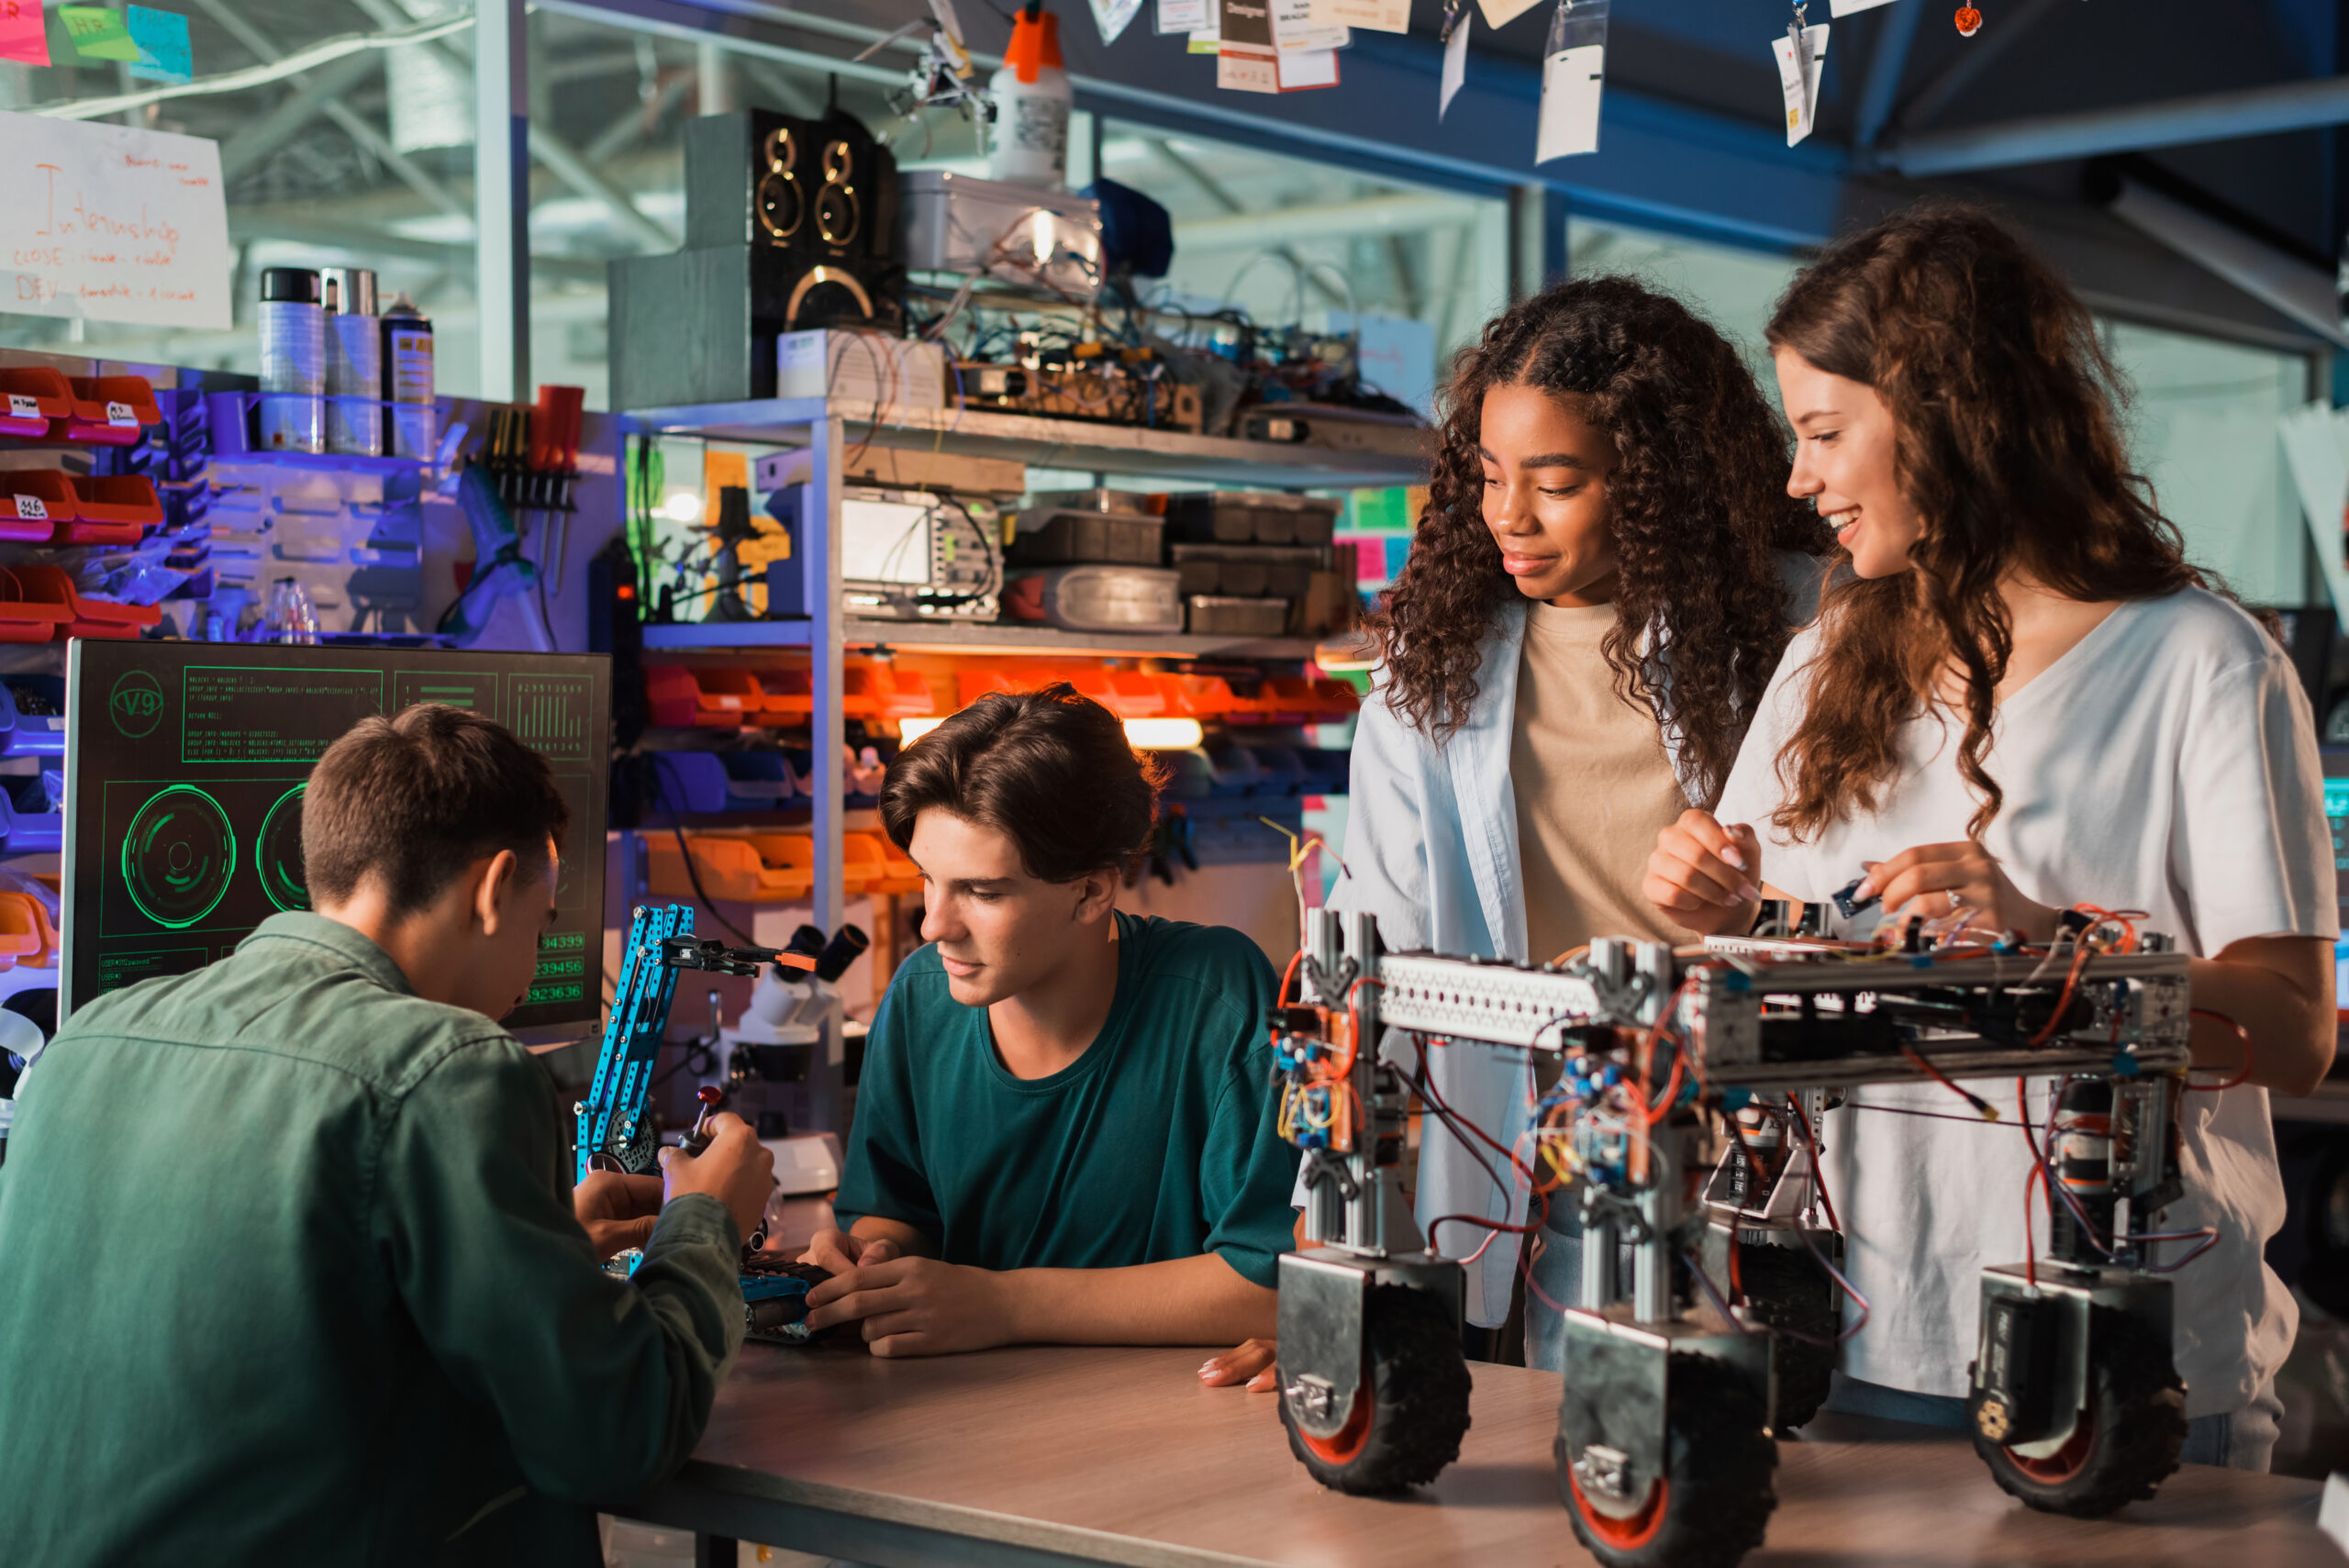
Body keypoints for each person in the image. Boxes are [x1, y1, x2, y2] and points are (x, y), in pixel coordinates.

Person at [1646, 202, 2332, 1471]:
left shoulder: (2203, 664)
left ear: (1950, 415)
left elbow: (2295, 1032)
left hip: (2127, 1364)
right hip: (1854, 1339)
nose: (1800, 480)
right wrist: (1718, 902)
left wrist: (2052, 937)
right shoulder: (1821, 666)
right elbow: (1777, 952)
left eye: (1824, 434)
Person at [1206, 276, 1827, 1388]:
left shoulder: (1809, 627)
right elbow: (1374, 960)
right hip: (1543, 1149)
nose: (1509, 517)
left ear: (1658, 480)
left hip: (1767, 1135)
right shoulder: (1434, 672)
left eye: (1558, 482)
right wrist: (1328, 1272)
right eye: (1490, 476)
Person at [0, 704, 776, 1564]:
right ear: (492, 889)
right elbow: (619, 1435)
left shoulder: (85, 1040)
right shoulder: (452, 1066)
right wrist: (705, 1222)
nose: (534, 960)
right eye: (544, 918)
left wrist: (553, 1249)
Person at [799, 684, 1297, 1354]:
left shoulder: (1216, 997)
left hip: (1165, 1427)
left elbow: (1271, 1287)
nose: (934, 924)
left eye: (980, 891)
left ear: (1091, 890)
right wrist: (873, 1260)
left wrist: (1004, 1304)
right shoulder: (920, 997)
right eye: (928, 879)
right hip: (969, 1416)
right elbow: (900, 1211)